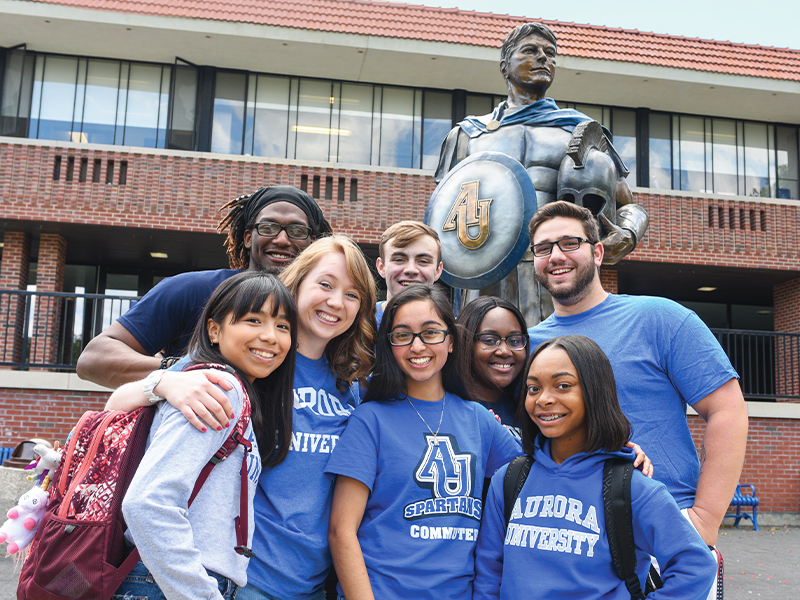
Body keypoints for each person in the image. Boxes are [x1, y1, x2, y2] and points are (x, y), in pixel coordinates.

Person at [109, 235, 376, 600]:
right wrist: (166, 382)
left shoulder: (352, 385)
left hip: (309, 582)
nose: (335, 301)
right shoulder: (250, 362)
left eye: (352, 294)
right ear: (296, 284)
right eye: (325, 284)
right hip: (239, 578)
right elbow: (119, 403)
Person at [527, 200, 748, 597]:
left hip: (663, 535)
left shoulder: (660, 317)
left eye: (569, 243)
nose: (556, 256)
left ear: (597, 253)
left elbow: (727, 410)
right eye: (543, 248)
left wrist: (705, 518)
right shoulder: (529, 345)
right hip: (570, 537)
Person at [473, 335, 717, 600]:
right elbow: (489, 574)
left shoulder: (633, 489)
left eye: (563, 385)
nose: (543, 399)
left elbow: (696, 566)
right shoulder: (508, 480)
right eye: (533, 388)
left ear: (594, 391)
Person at [434, 22, 648, 325]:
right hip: (482, 278)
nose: (543, 58)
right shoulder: (468, 135)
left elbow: (630, 206)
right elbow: (439, 223)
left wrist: (626, 234)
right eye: (531, 51)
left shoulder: (580, 131)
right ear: (505, 65)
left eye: (550, 53)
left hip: (556, 274)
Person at [326, 285, 522, 600]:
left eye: (430, 333)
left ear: (452, 340)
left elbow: (542, 468)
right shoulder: (370, 420)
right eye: (402, 335)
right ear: (389, 346)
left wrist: (614, 450)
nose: (417, 346)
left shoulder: (479, 420)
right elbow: (340, 532)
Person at [110, 271, 298, 600]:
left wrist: (161, 381)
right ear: (214, 329)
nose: (271, 336)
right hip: (168, 584)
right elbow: (148, 503)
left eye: (283, 326)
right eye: (254, 320)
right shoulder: (218, 390)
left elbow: (115, 405)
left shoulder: (203, 383)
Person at [77, 185, 332, 389]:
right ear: (247, 237)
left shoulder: (326, 310)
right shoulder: (194, 289)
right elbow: (93, 359)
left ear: (313, 241)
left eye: (297, 231)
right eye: (268, 227)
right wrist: (183, 370)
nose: (282, 239)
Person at [453, 296, 529, 433]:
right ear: (466, 343)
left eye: (514, 341)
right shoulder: (447, 410)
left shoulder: (531, 411)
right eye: (489, 340)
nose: (505, 351)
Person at [375, 220, 443, 325]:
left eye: (423, 261)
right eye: (399, 260)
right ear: (381, 267)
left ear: (438, 271)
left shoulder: (452, 328)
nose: (411, 270)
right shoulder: (358, 323)